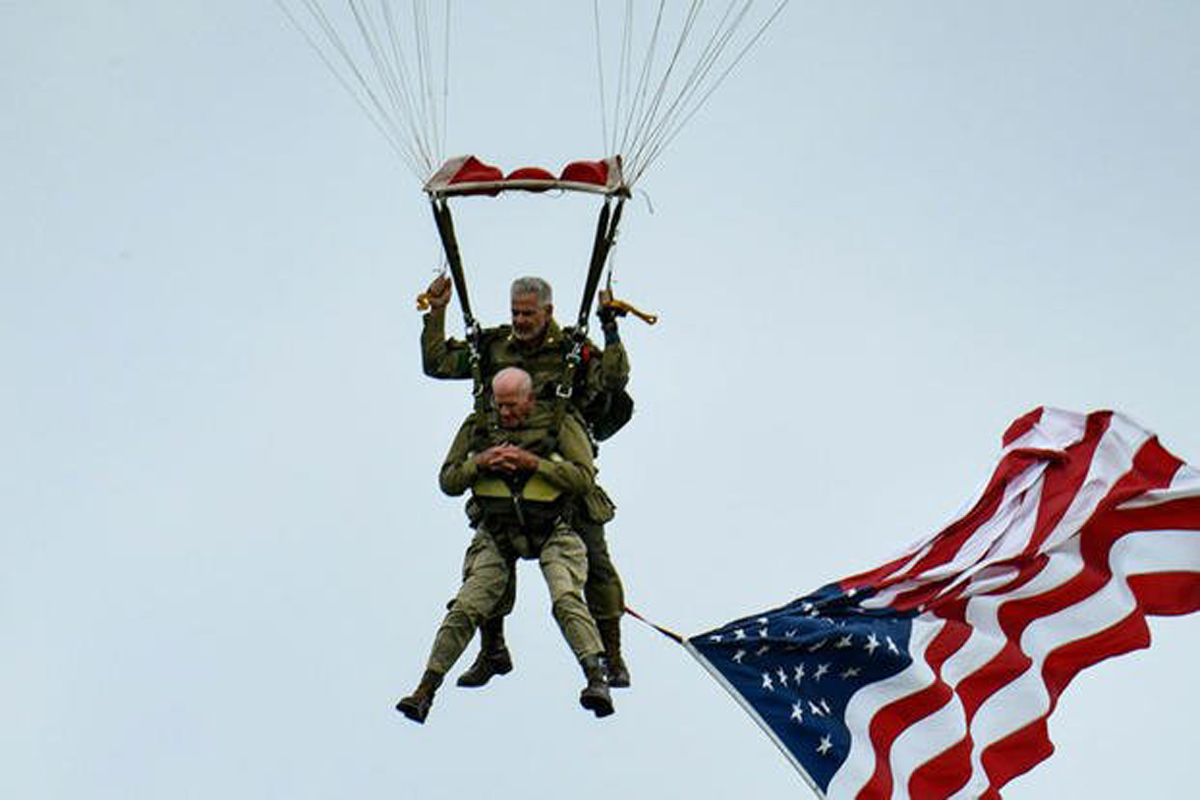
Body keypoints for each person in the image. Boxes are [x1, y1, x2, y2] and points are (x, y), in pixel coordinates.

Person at [420, 275, 633, 688]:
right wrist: (438, 312)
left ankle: (612, 656)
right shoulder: (494, 349)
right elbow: (439, 364)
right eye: (515, 312)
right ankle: (492, 650)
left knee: (598, 569)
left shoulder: (573, 351)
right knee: (487, 563)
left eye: (528, 313)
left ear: (548, 312)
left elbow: (614, 380)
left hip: (561, 473)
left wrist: (610, 328)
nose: (519, 320)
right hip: (502, 472)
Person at [396, 368, 613, 723]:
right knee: (467, 605)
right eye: (500, 406)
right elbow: (449, 480)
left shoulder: (559, 424)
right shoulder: (478, 427)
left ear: (529, 400)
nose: (506, 413)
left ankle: (596, 676)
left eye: (513, 406)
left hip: (554, 527)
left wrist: (535, 464)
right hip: (497, 530)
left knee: (565, 597)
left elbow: (582, 479)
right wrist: (479, 463)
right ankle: (425, 690)